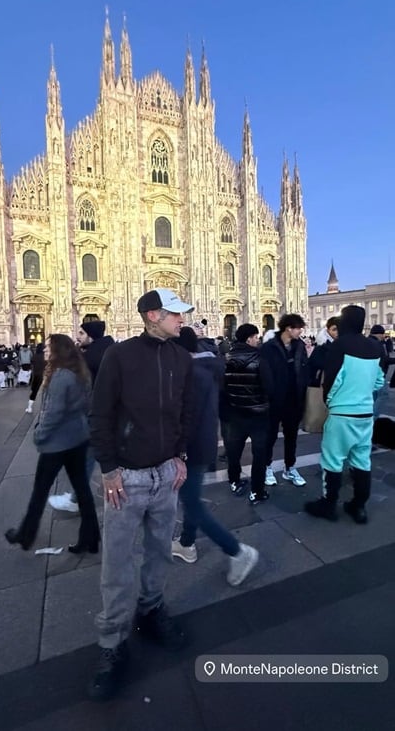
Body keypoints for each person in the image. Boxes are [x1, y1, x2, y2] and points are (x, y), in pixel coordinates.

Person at [88, 288, 194, 702]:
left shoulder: (181, 358)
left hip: (166, 474)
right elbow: (100, 414)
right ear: (152, 315)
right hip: (126, 479)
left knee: (158, 552)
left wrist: (181, 456)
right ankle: (112, 642)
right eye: (175, 314)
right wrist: (109, 467)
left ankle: (150, 611)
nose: (182, 320)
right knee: (117, 563)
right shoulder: (120, 355)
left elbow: (185, 411)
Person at [171, 326, 259, 581]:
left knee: (191, 502)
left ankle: (237, 551)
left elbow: (186, 419)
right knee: (191, 498)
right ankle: (186, 543)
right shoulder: (207, 367)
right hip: (204, 441)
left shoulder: (189, 374)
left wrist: (179, 450)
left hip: (191, 448)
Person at [4, 334, 100, 553]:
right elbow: (87, 405)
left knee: (40, 492)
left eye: (48, 347)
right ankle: (90, 538)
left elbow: (52, 414)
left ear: (59, 350)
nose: (44, 350)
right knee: (83, 490)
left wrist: (39, 434)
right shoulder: (80, 373)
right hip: (78, 439)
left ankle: (25, 535)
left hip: (57, 444)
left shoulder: (59, 377)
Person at [305, 305, 385, 524]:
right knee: (361, 460)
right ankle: (359, 507)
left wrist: (330, 402)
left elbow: (333, 379)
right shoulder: (374, 347)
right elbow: (379, 380)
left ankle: (328, 505)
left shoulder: (341, 345)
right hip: (365, 414)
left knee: (333, 460)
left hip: (342, 413)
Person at [48, 319, 115, 512]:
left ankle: (77, 500)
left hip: (96, 415)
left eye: (81, 333)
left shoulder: (91, 357)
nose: (77, 336)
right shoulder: (108, 349)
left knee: (89, 458)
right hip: (108, 414)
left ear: (90, 336)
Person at [223, 324, 271, 502]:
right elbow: (269, 386)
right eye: (256, 337)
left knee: (234, 451)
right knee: (260, 454)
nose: (258, 340)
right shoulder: (260, 358)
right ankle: (257, 491)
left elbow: (223, 388)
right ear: (249, 338)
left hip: (236, 414)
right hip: (258, 415)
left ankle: (234, 481)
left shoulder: (226, 358)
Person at [260, 314, 309, 487]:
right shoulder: (268, 347)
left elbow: (304, 368)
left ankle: (290, 467)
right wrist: (268, 393)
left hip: (294, 399)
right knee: (270, 436)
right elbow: (263, 373)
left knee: (292, 436)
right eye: (298, 328)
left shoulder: (300, 346)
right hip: (274, 400)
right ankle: (267, 467)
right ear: (288, 328)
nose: (300, 331)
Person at [308, 316, 339, 385]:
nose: (338, 332)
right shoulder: (320, 349)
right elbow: (311, 370)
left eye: (340, 329)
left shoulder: (345, 346)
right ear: (328, 331)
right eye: (334, 329)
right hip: (323, 386)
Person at [25, 343, 46, 413]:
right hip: (45, 375)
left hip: (36, 375)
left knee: (34, 391)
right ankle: (43, 409)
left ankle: (29, 407)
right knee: (45, 393)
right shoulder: (46, 356)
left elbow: (32, 363)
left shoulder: (35, 356)